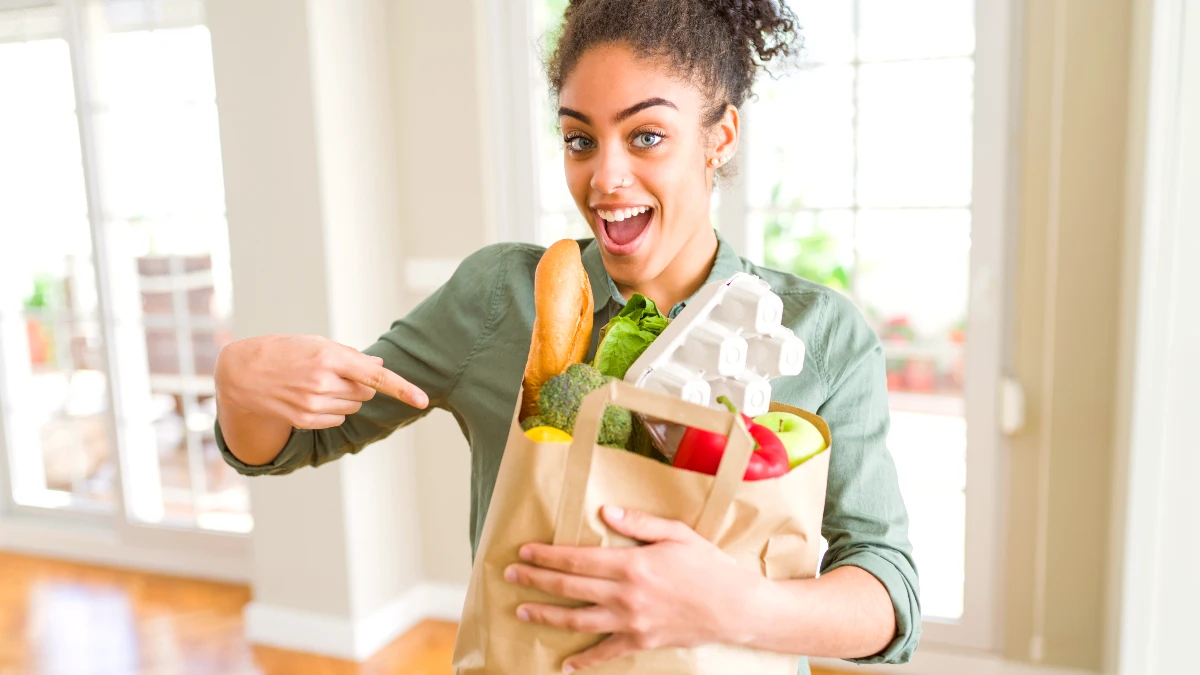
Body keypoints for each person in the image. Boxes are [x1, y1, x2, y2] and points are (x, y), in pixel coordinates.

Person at [214, 0, 920, 672]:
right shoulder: (502, 298)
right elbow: (287, 444)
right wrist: (241, 388)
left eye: (646, 136)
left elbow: (889, 596)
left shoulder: (817, 332)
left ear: (719, 137)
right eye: (580, 139)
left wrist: (737, 606)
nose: (605, 177)